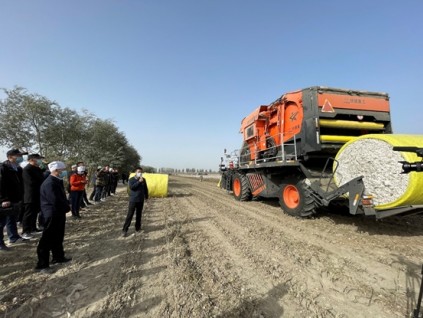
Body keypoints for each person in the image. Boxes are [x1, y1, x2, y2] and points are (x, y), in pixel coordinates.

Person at [35, 161, 72, 272]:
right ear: (56, 171)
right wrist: (66, 207)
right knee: (47, 239)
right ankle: (42, 264)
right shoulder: (49, 183)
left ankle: (58, 257)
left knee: (58, 236)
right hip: (51, 214)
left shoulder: (56, 181)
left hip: (58, 213)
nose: (64, 172)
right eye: (62, 170)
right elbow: (55, 200)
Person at [0, 149, 28, 251]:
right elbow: (1, 185)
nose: (20, 157)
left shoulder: (18, 168)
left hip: (16, 198)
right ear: (10, 156)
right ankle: (1, 243)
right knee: (2, 222)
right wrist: (4, 199)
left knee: (13, 218)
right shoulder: (3, 168)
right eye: (18, 155)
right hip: (6, 199)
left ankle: (14, 237)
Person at [22, 153, 45, 239]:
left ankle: (33, 228)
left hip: (38, 194)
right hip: (30, 194)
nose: (39, 160)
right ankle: (25, 231)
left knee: (35, 212)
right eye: (38, 159)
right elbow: (30, 183)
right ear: (32, 159)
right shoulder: (27, 169)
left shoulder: (37, 169)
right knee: (28, 213)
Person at [122, 167, 148, 237]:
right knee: (130, 215)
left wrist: (146, 196)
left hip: (140, 200)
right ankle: (125, 230)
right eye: (139, 172)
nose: (140, 173)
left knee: (139, 215)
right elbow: (132, 187)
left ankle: (138, 228)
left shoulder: (144, 179)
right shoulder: (131, 180)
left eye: (141, 172)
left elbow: (145, 188)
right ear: (135, 172)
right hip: (133, 200)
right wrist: (139, 182)